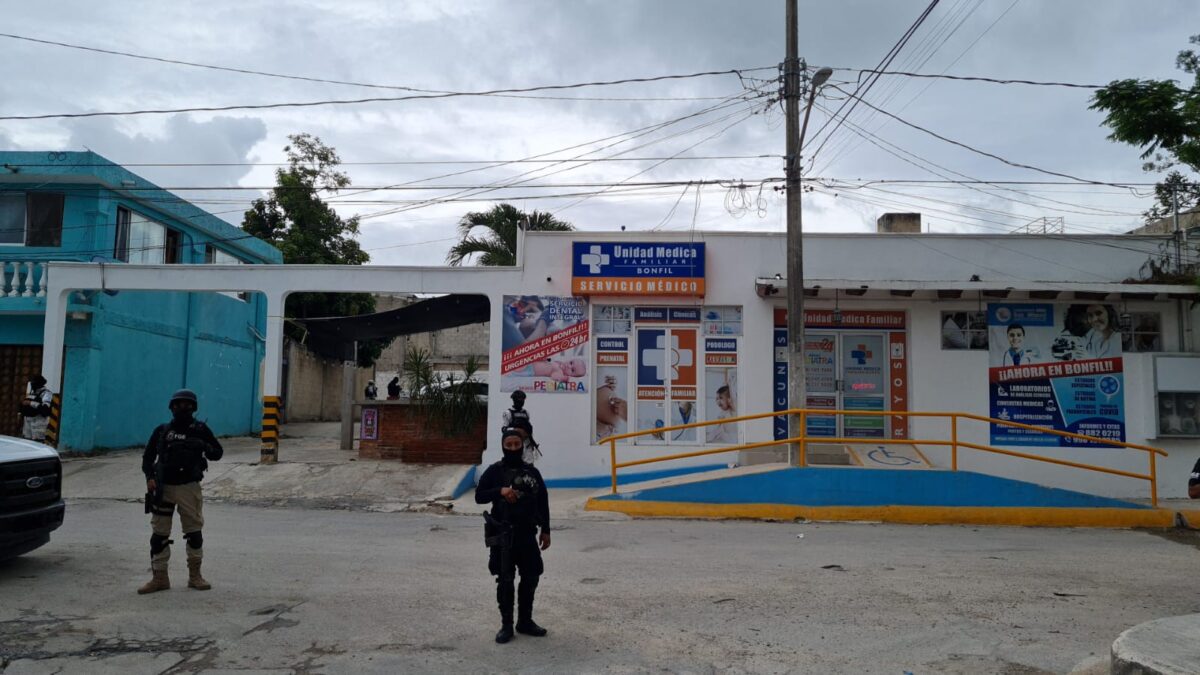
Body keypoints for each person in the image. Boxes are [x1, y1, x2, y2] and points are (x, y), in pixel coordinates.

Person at [138, 389, 224, 595]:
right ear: (171, 407)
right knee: (159, 535)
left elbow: (217, 453)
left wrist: (202, 445)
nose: (182, 408)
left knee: (194, 533)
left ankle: (195, 576)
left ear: (194, 408)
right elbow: (147, 458)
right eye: (178, 405)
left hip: (188, 487)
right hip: (163, 488)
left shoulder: (200, 429)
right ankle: (159, 578)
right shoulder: (162, 431)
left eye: (187, 405)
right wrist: (150, 478)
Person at [475, 428, 551, 644]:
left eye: (516, 444)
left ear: (522, 446)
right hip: (504, 536)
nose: (513, 448)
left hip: (527, 534)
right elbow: (479, 496)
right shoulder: (494, 471)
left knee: (532, 575)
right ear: (503, 446)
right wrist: (500, 491)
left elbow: (543, 501)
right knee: (505, 580)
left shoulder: (532, 472)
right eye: (508, 445)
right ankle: (506, 625)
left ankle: (525, 621)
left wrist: (546, 530)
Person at [502, 390, 540, 462]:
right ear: (514, 400)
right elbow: (504, 429)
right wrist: (515, 430)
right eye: (519, 399)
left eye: (522, 399)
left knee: (529, 463)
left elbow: (528, 427)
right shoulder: (508, 413)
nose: (521, 401)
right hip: (515, 443)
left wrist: (530, 438)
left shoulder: (526, 412)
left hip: (527, 443)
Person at [18, 374, 53, 442]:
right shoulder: (32, 392)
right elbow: (23, 404)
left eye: (34, 383)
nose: (32, 385)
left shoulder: (46, 393)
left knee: (37, 443)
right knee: (26, 442)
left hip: (38, 422)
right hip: (27, 422)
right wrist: (20, 413)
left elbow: (45, 408)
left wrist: (30, 403)